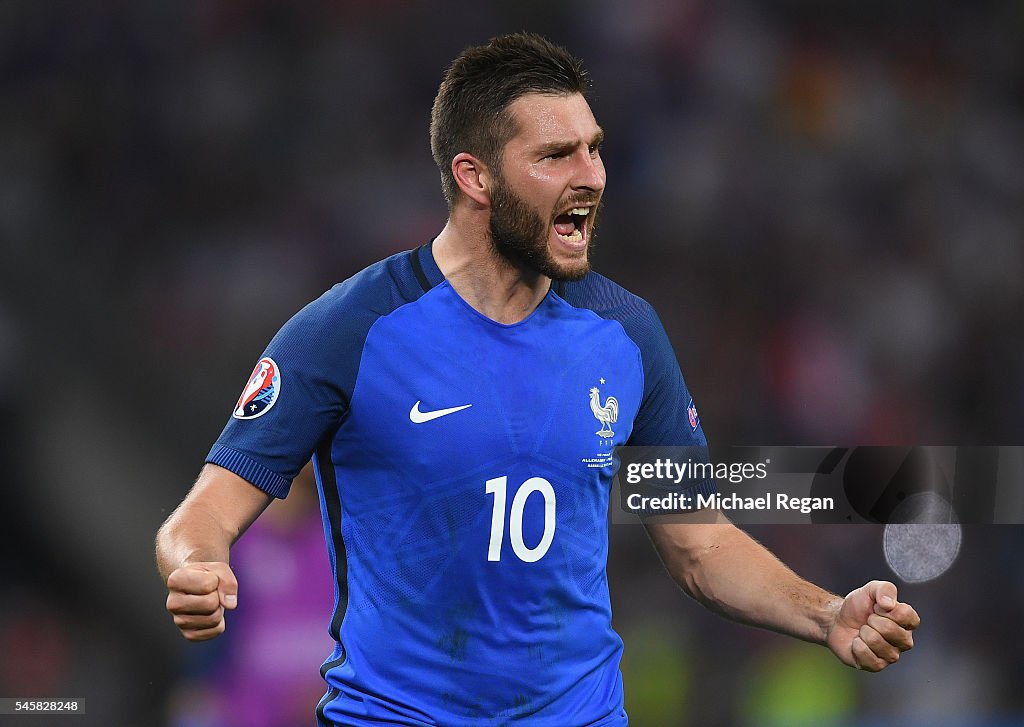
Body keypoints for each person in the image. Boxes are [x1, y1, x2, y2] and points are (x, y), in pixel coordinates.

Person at [156, 32, 920, 726]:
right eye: (557, 155)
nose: (592, 175)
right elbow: (201, 516)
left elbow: (700, 545)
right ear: (475, 176)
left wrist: (826, 615)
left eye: (594, 148)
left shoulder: (627, 334)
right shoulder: (348, 331)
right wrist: (195, 567)